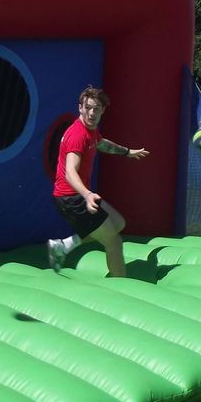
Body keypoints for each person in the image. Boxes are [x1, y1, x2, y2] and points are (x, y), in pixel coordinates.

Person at [47, 86, 149, 277]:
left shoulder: (90, 130)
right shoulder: (77, 134)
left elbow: (101, 143)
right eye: (88, 108)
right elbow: (70, 171)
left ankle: (63, 246)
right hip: (72, 199)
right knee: (114, 241)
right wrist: (87, 195)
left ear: (103, 110)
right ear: (80, 108)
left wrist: (127, 152)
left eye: (96, 109)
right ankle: (121, 289)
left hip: (78, 196)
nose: (92, 113)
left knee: (117, 223)